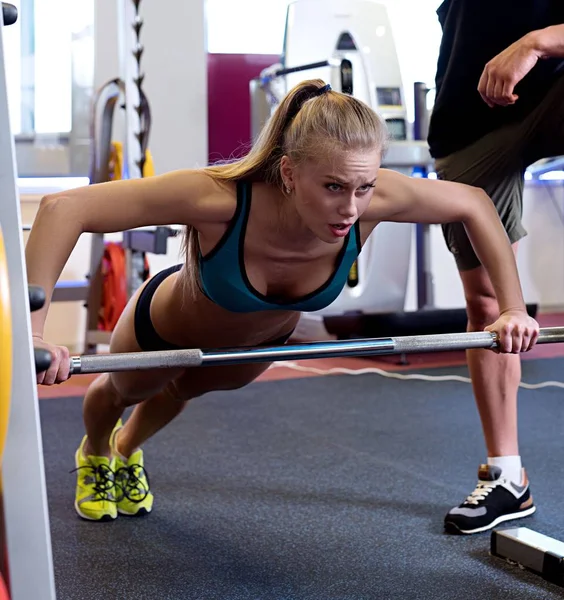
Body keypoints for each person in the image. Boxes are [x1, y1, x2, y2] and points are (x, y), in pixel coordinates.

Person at [29, 78, 539, 523]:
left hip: (253, 346)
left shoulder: (372, 201)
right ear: (290, 173)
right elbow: (63, 208)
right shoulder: (220, 198)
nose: (350, 207)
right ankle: (96, 451)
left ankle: (125, 450)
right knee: (124, 391)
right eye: (334, 186)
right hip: (166, 327)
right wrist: (32, 330)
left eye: (363, 187)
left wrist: (512, 306)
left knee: (180, 392)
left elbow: (473, 203)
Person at [427, 0, 564, 534]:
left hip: (551, 85)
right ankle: (508, 479)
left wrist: (535, 42)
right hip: (470, 123)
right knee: (486, 306)